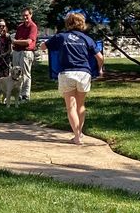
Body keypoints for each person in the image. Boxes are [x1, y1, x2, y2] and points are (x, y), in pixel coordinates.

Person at [41, 12, 104, 145]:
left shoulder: (61, 37)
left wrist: (45, 49)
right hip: (84, 74)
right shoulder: (87, 39)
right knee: (80, 105)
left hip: (67, 74)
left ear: (68, 23)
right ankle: (79, 134)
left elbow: (43, 46)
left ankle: (76, 136)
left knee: (71, 107)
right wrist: (100, 69)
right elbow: (100, 57)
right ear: (82, 24)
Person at [11, 7, 38, 101]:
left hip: (26, 52)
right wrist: (16, 42)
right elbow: (16, 40)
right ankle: (17, 94)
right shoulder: (20, 27)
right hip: (17, 52)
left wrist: (16, 41)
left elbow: (28, 42)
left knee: (25, 74)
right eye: (23, 15)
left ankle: (25, 96)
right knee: (15, 73)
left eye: (26, 15)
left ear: (31, 15)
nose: (25, 17)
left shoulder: (33, 26)